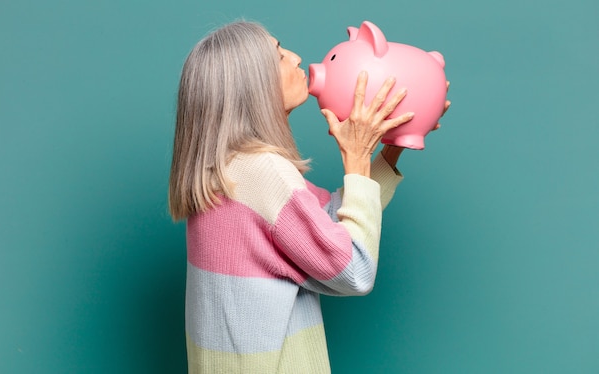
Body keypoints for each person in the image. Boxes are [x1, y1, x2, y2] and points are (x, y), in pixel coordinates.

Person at [168, 20, 449, 373]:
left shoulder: (230, 168)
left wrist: (391, 146)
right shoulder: (262, 172)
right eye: (279, 54)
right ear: (253, 84)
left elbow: (330, 223)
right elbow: (354, 270)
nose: (297, 58)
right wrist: (356, 159)